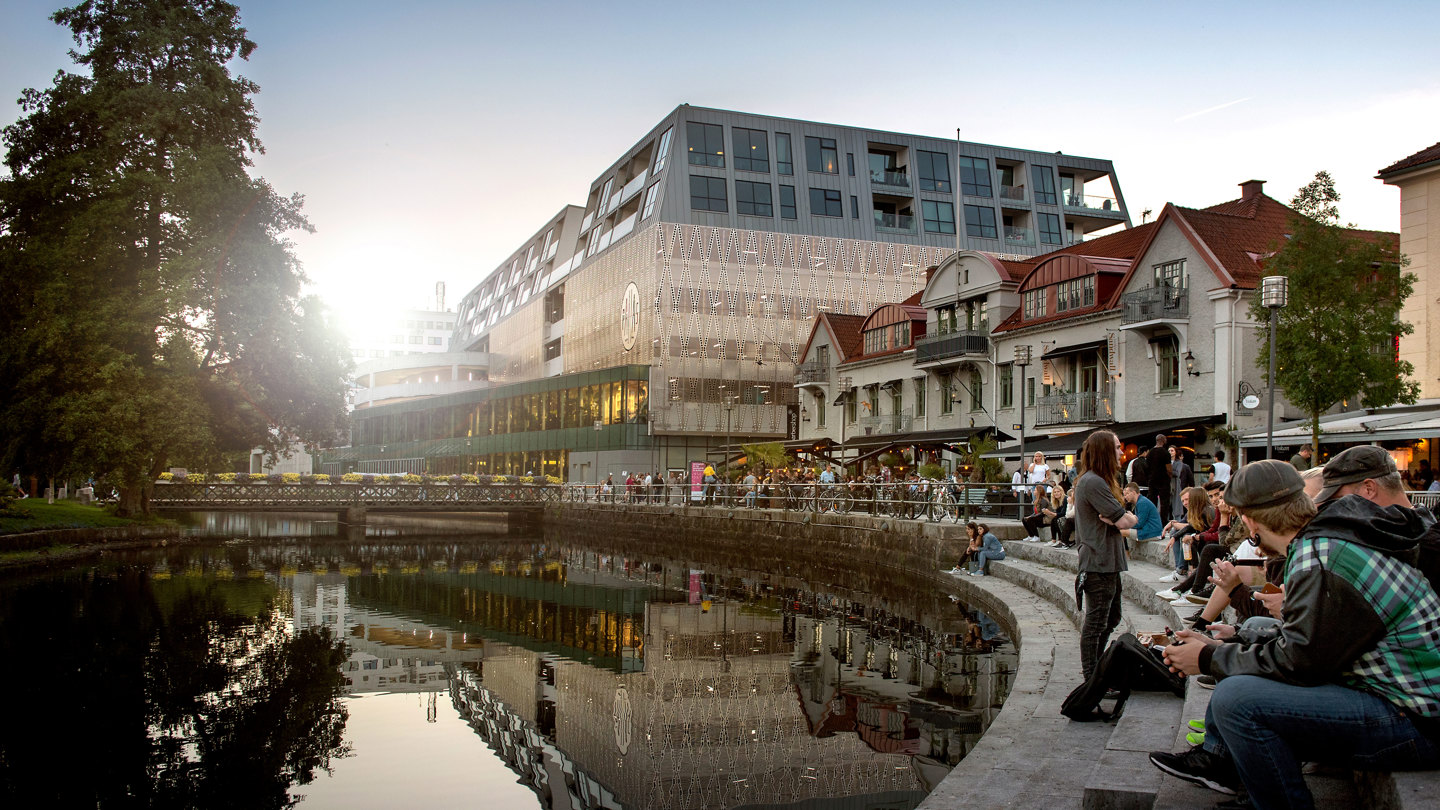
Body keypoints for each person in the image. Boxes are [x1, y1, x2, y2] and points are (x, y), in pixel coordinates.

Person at [1150, 460, 1440, 807]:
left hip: (1417, 722)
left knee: (1236, 700)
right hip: (1409, 703)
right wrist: (1224, 645)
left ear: (1250, 521)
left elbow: (1301, 662)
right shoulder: (1327, 540)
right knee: (1247, 650)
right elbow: (1311, 644)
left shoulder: (1317, 556)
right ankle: (1231, 769)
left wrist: (1209, 657)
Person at [1073, 430, 1138, 679]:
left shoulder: (1099, 481)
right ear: (1104, 451)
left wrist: (1125, 518)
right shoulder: (1093, 482)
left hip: (1108, 561)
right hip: (1098, 561)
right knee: (1097, 623)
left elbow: (1125, 519)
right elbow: (1123, 522)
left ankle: (1098, 672)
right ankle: (1092, 678)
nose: (1122, 452)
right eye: (1118, 447)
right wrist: (1124, 519)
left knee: (1111, 618)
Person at [1145, 433, 1173, 522]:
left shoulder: (1150, 453)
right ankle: (1163, 521)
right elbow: (1169, 469)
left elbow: (1147, 467)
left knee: (1152, 501)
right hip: (1163, 480)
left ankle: (1151, 520)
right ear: (1164, 441)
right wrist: (1170, 476)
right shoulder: (1165, 453)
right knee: (1164, 502)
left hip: (1152, 480)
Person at [1169, 445, 1194, 521]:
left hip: (1177, 486)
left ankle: (1179, 522)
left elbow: (1177, 473)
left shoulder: (1179, 463)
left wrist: (1167, 470)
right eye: (1169, 451)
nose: (1170, 452)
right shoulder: (1165, 462)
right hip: (1167, 485)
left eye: (1172, 450)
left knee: (1177, 507)